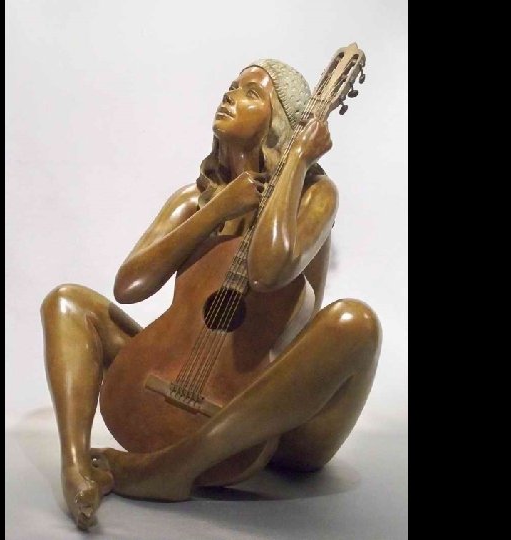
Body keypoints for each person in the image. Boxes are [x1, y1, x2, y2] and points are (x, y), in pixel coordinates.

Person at [41, 59, 381, 530]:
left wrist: (297, 163)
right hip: (181, 381)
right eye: (231, 86)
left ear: (282, 123)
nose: (230, 95)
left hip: (277, 422)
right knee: (66, 302)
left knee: (355, 322)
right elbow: (129, 286)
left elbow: (268, 271)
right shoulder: (195, 198)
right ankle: (76, 465)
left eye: (251, 93)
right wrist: (215, 210)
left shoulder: (315, 196)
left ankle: (174, 466)